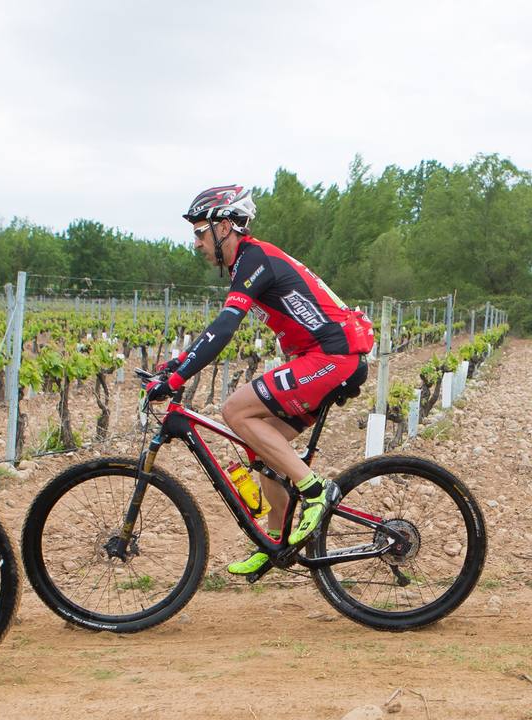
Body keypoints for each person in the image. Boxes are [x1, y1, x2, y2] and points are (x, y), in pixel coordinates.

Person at [146, 185, 375, 574]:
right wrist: (176, 364)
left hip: (334, 355)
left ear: (225, 228)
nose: (196, 242)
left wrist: (180, 373)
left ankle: (316, 491)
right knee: (263, 447)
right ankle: (276, 544)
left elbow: (224, 327)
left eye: (201, 231)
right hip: (324, 357)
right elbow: (218, 329)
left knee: (235, 410)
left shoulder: (254, 258)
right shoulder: (246, 265)